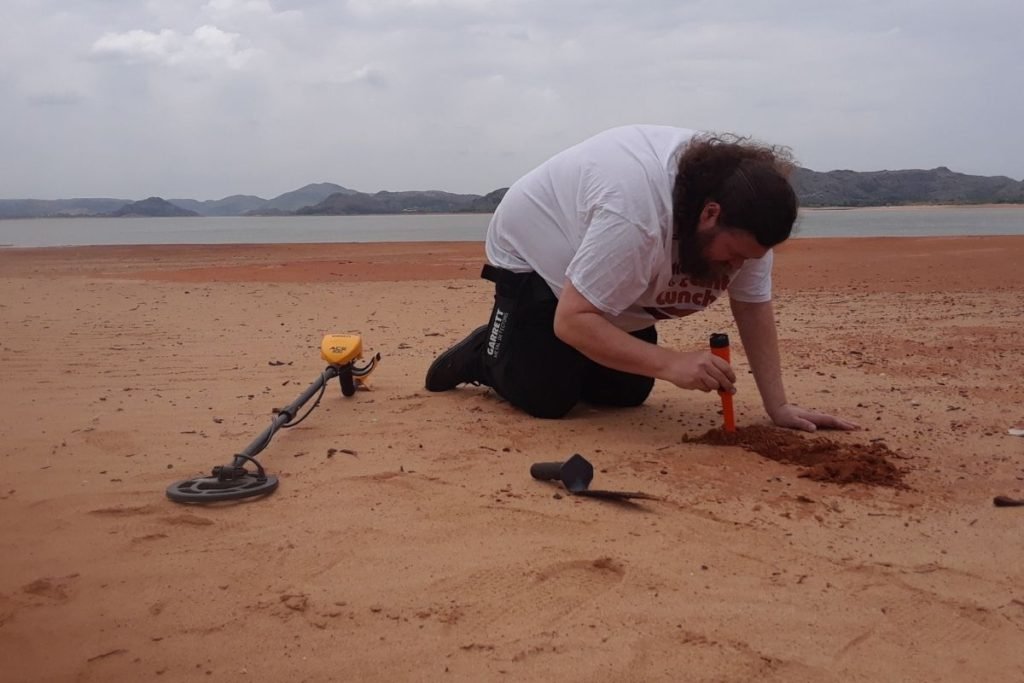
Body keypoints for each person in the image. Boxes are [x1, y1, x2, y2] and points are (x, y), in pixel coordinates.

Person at [424, 124, 858, 432]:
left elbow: (752, 304)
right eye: (735, 256)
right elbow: (572, 320)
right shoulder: (636, 217)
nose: (737, 268)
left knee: (626, 392)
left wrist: (777, 405)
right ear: (710, 215)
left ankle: (552, 348)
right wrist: (671, 362)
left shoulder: (751, 220)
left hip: (607, 266)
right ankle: (488, 352)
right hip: (535, 256)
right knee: (547, 397)